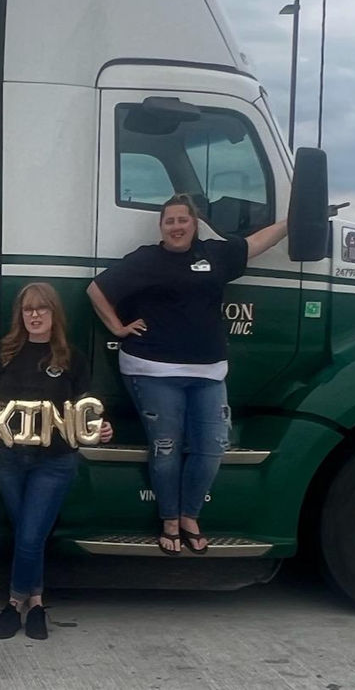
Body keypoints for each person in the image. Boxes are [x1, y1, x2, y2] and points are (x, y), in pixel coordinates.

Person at [87, 194, 287, 555]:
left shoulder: (216, 254)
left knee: (211, 447)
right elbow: (96, 290)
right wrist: (117, 327)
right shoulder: (146, 259)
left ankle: (190, 515)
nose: (176, 227)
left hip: (209, 373)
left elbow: (258, 241)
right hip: (151, 370)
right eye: (170, 221)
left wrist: (293, 222)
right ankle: (169, 520)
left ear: (195, 224)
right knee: (166, 447)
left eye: (183, 220)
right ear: (161, 227)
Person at [0, 283, 112, 641]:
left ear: (54, 314)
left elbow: (86, 407)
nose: (35, 315)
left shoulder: (70, 356)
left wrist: (99, 426)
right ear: (20, 314)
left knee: (29, 535)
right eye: (28, 309)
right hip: (10, 459)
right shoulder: (6, 353)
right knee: (30, 534)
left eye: (42, 309)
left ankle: (13, 604)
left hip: (54, 462)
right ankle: (37, 603)